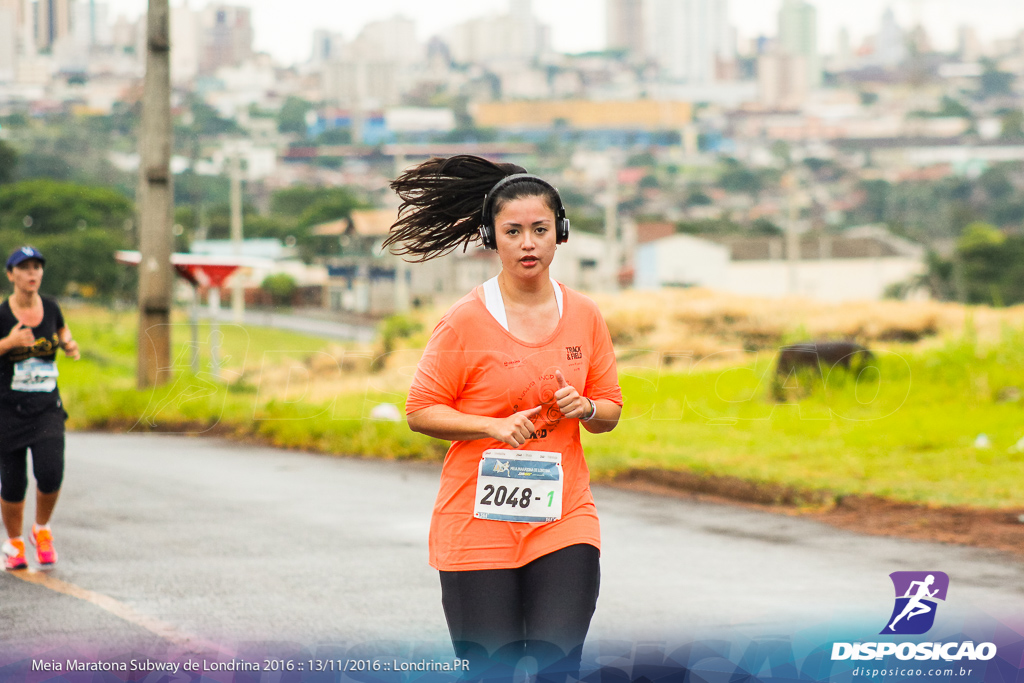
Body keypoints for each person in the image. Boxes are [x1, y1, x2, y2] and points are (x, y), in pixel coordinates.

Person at [385, 155, 623, 680]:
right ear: (492, 238)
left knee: (557, 665)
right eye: (512, 231)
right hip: (477, 524)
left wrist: (585, 408)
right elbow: (420, 410)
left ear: (560, 233)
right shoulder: (465, 321)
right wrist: (490, 427)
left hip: (564, 520)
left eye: (540, 229)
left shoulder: (585, 315)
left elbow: (609, 410)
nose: (528, 243)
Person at [0, 246, 79, 570]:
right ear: (11, 275)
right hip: (8, 409)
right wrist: (8, 343)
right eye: (25, 267)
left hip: (46, 405)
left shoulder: (51, 307)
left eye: (37, 267)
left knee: (50, 472)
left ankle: (41, 529)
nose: (33, 273)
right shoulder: (2, 315)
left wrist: (69, 343)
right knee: (14, 481)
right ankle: (15, 543)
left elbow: (62, 331)